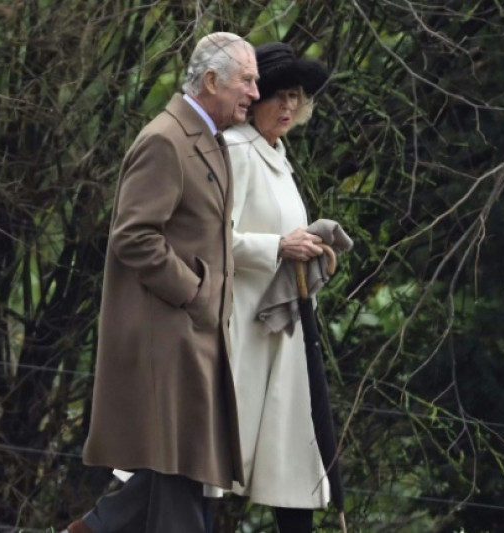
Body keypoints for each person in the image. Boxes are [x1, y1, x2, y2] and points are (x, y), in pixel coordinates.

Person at [62, 32, 259, 533]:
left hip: (190, 338)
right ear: (212, 80)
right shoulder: (165, 140)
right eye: (248, 80)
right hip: (167, 341)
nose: (256, 93)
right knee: (178, 480)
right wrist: (194, 293)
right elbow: (133, 236)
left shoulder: (205, 138)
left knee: (180, 476)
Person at [219, 41, 337, 533]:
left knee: (292, 460)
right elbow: (215, 238)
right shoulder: (236, 150)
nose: (289, 106)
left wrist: (313, 249)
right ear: (256, 97)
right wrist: (278, 248)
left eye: (297, 96)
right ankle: (104, 522)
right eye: (279, 95)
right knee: (215, 465)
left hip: (282, 331)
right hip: (241, 333)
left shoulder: (279, 157)